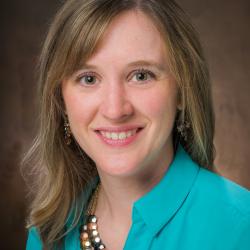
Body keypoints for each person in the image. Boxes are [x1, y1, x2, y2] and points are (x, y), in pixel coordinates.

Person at [24, 0, 250, 249]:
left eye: (141, 75)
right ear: (61, 100)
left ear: (183, 91)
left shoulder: (240, 227)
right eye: (88, 78)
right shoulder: (47, 236)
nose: (115, 110)